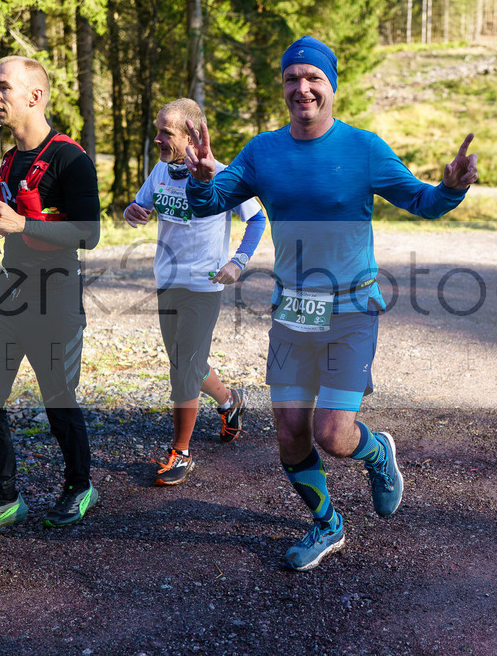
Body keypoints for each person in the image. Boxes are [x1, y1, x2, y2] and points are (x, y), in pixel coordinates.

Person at [183, 36, 478, 571]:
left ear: (331, 85)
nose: (303, 88)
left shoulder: (363, 149)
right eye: (292, 78)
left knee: (333, 434)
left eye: (313, 78)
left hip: (350, 310)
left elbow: (421, 200)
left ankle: (376, 452)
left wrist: (451, 187)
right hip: (292, 312)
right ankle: (327, 523)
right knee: (290, 434)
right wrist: (203, 179)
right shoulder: (262, 152)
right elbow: (210, 203)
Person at [0, 56, 101, 541]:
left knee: (57, 394)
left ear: (34, 97)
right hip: (10, 290)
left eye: (3, 88)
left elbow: (90, 234)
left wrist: (21, 224)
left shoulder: (70, 159)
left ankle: (80, 486)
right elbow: (15, 213)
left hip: (55, 293)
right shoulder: (11, 158)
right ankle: (4, 498)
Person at [124, 98, 265, 486]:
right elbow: (140, 206)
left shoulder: (221, 175)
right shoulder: (159, 171)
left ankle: (181, 452)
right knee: (186, 359)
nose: (157, 139)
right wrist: (132, 212)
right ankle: (229, 401)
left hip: (205, 284)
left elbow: (257, 219)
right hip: (166, 280)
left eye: (165, 132)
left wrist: (237, 261)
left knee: (184, 365)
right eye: (158, 130)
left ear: (192, 136)